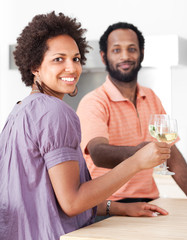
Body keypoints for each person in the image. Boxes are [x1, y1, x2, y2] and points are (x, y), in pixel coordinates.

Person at [0, 13, 170, 240]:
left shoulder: (19, 111)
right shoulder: (56, 112)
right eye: (58, 59)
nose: (71, 68)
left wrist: (118, 207)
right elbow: (72, 202)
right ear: (34, 66)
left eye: (76, 58)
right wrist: (137, 162)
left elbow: (49, 197)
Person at [77, 22, 187, 204]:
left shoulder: (151, 97)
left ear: (141, 53)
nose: (125, 56)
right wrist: (138, 154)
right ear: (104, 57)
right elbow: (98, 153)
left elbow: (171, 154)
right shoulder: (94, 102)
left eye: (132, 49)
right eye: (117, 50)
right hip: (109, 206)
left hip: (149, 202)